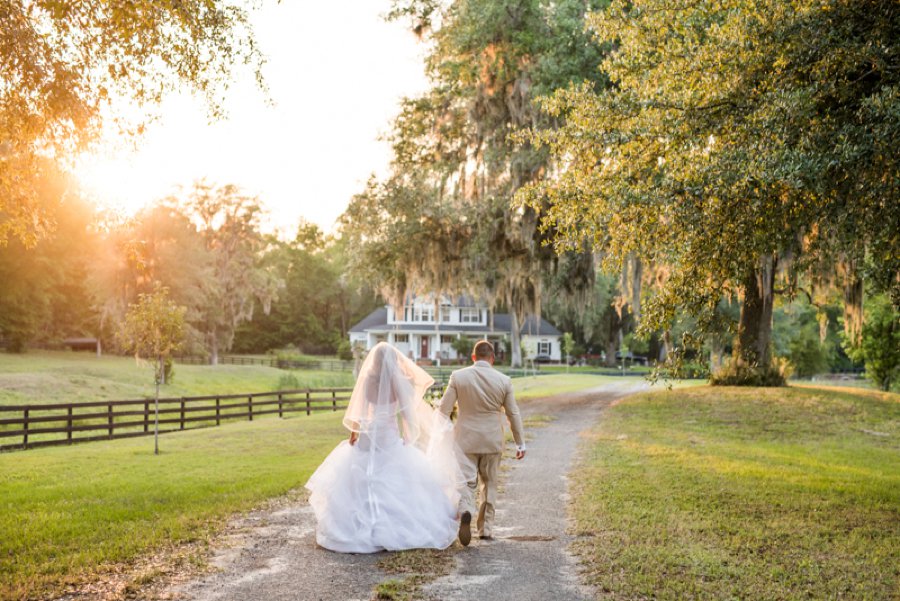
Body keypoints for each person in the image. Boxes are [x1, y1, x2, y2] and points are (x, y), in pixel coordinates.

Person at [305, 342, 463, 553]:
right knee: (393, 471)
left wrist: (354, 434)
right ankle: (392, 525)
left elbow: (360, 412)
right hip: (387, 433)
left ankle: (356, 525)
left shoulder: (367, 379)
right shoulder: (398, 380)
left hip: (368, 433)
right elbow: (407, 414)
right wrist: (409, 435)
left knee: (362, 470)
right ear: (393, 360)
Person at [439, 340, 526, 545]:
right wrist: (520, 443)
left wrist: (442, 435)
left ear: (473, 357)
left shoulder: (458, 377)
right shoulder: (504, 380)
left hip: (464, 439)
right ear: (492, 358)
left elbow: (443, 410)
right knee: (489, 483)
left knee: (467, 482)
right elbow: (513, 413)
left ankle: (466, 510)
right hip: (492, 440)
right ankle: (485, 529)